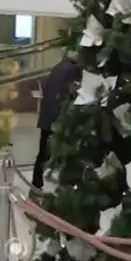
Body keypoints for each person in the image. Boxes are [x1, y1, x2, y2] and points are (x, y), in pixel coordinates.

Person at [33, 50, 79, 187]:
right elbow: (70, 94)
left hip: (48, 117)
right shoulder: (72, 71)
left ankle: (36, 183)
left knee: (43, 153)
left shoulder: (58, 67)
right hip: (57, 118)